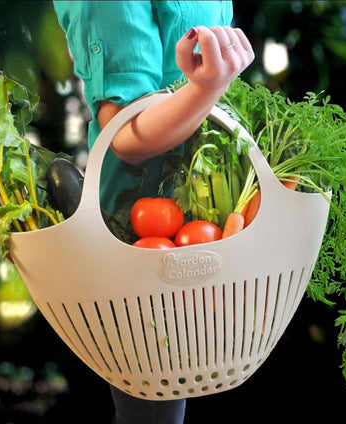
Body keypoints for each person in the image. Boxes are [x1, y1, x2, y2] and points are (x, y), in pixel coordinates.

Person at [53, 2, 254, 423]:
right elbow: (125, 132)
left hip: (201, 217)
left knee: (178, 391)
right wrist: (206, 89)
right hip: (143, 224)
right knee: (154, 403)